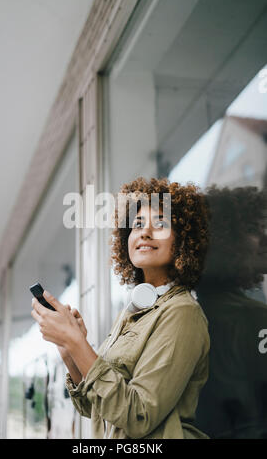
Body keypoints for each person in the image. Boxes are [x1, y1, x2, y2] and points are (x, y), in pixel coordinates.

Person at [31, 177, 211, 439]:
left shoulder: (183, 313)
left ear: (183, 241)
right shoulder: (131, 313)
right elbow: (94, 406)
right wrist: (70, 348)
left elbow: (138, 416)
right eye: (137, 224)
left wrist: (77, 343)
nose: (144, 232)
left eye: (160, 224)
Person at [194, 185, 267, 438]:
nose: (263, 239)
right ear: (223, 240)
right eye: (252, 230)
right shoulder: (255, 318)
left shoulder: (186, 316)